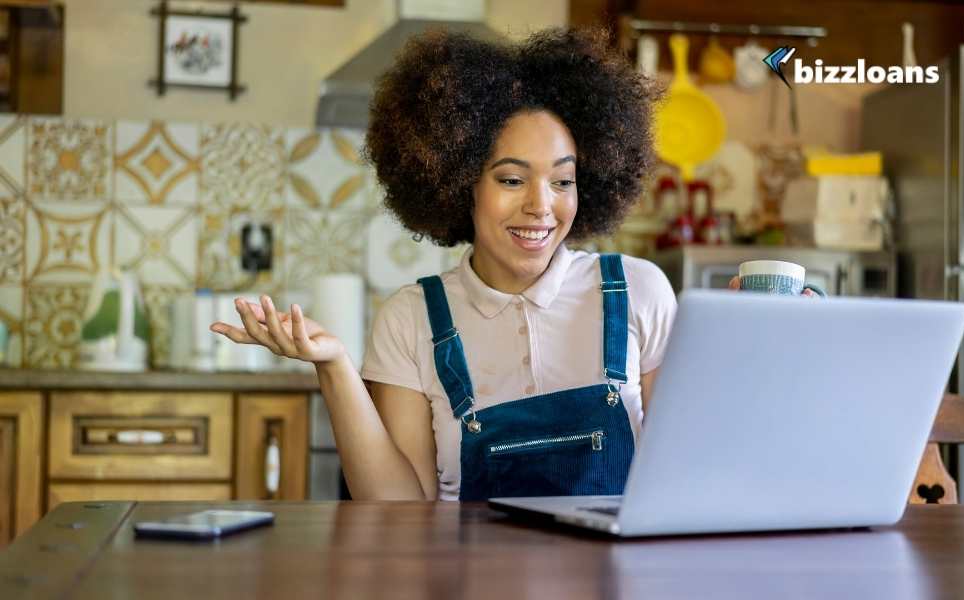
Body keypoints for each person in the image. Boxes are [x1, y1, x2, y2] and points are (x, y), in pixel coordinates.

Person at [211, 28, 676, 501]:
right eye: (512, 179)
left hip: (612, 576)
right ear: (460, 182)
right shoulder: (411, 319)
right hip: (465, 575)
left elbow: (682, 479)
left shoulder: (639, 291)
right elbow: (398, 511)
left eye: (562, 181)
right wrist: (333, 367)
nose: (542, 205)